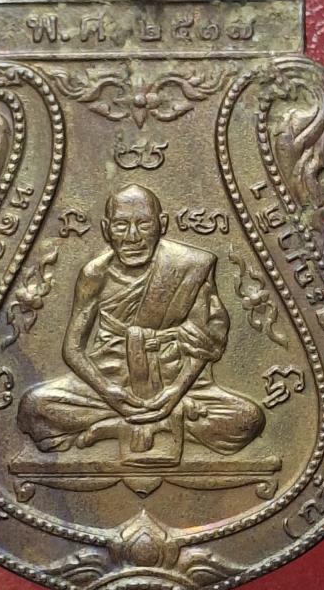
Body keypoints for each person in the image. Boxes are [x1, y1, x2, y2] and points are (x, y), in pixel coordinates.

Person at [18, 184, 265, 459]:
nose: (133, 237)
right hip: (109, 382)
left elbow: (205, 340)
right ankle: (151, 424)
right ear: (106, 229)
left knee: (248, 419)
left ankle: (116, 427)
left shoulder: (190, 266)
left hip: (178, 383)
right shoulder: (95, 274)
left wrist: (174, 393)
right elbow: (72, 349)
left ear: (162, 225)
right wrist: (109, 392)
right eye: (121, 225)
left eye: (144, 224)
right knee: (34, 408)